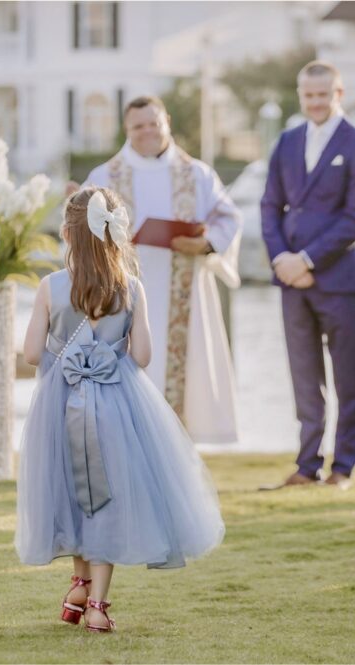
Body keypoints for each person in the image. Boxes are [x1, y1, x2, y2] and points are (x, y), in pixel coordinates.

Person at [15, 187, 224, 632]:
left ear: (68, 235)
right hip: (117, 407)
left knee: (72, 494)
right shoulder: (130, 288)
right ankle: (96, 605)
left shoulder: (51, 287)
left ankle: (79, 582)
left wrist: (61, 345)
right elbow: (143, 355)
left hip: (61, 408)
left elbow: (32, 353)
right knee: (106, 500)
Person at [84, 95, 242, 445]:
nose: (147, 132)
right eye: (138, 126)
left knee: (182, 377)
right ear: (127, 130)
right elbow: (80, 231)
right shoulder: (105, 176)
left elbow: (228, 216)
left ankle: (178, 454)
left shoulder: (196, 174)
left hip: (183, 295)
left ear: (166, 121)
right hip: (121, 295)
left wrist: (206, 243)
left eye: (153, 123)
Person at [260, 60, 355, 488]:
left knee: (348, 377)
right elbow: (269, 206)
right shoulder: (287, 141)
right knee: (304, 376)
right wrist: (282, 261)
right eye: (307, 95)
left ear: (338, 94)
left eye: (322, 95)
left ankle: (342, 467)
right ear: (300, 95)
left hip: (342, 280)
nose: (315, 102)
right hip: (291, 281)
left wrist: (306, 259)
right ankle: (306, 465)